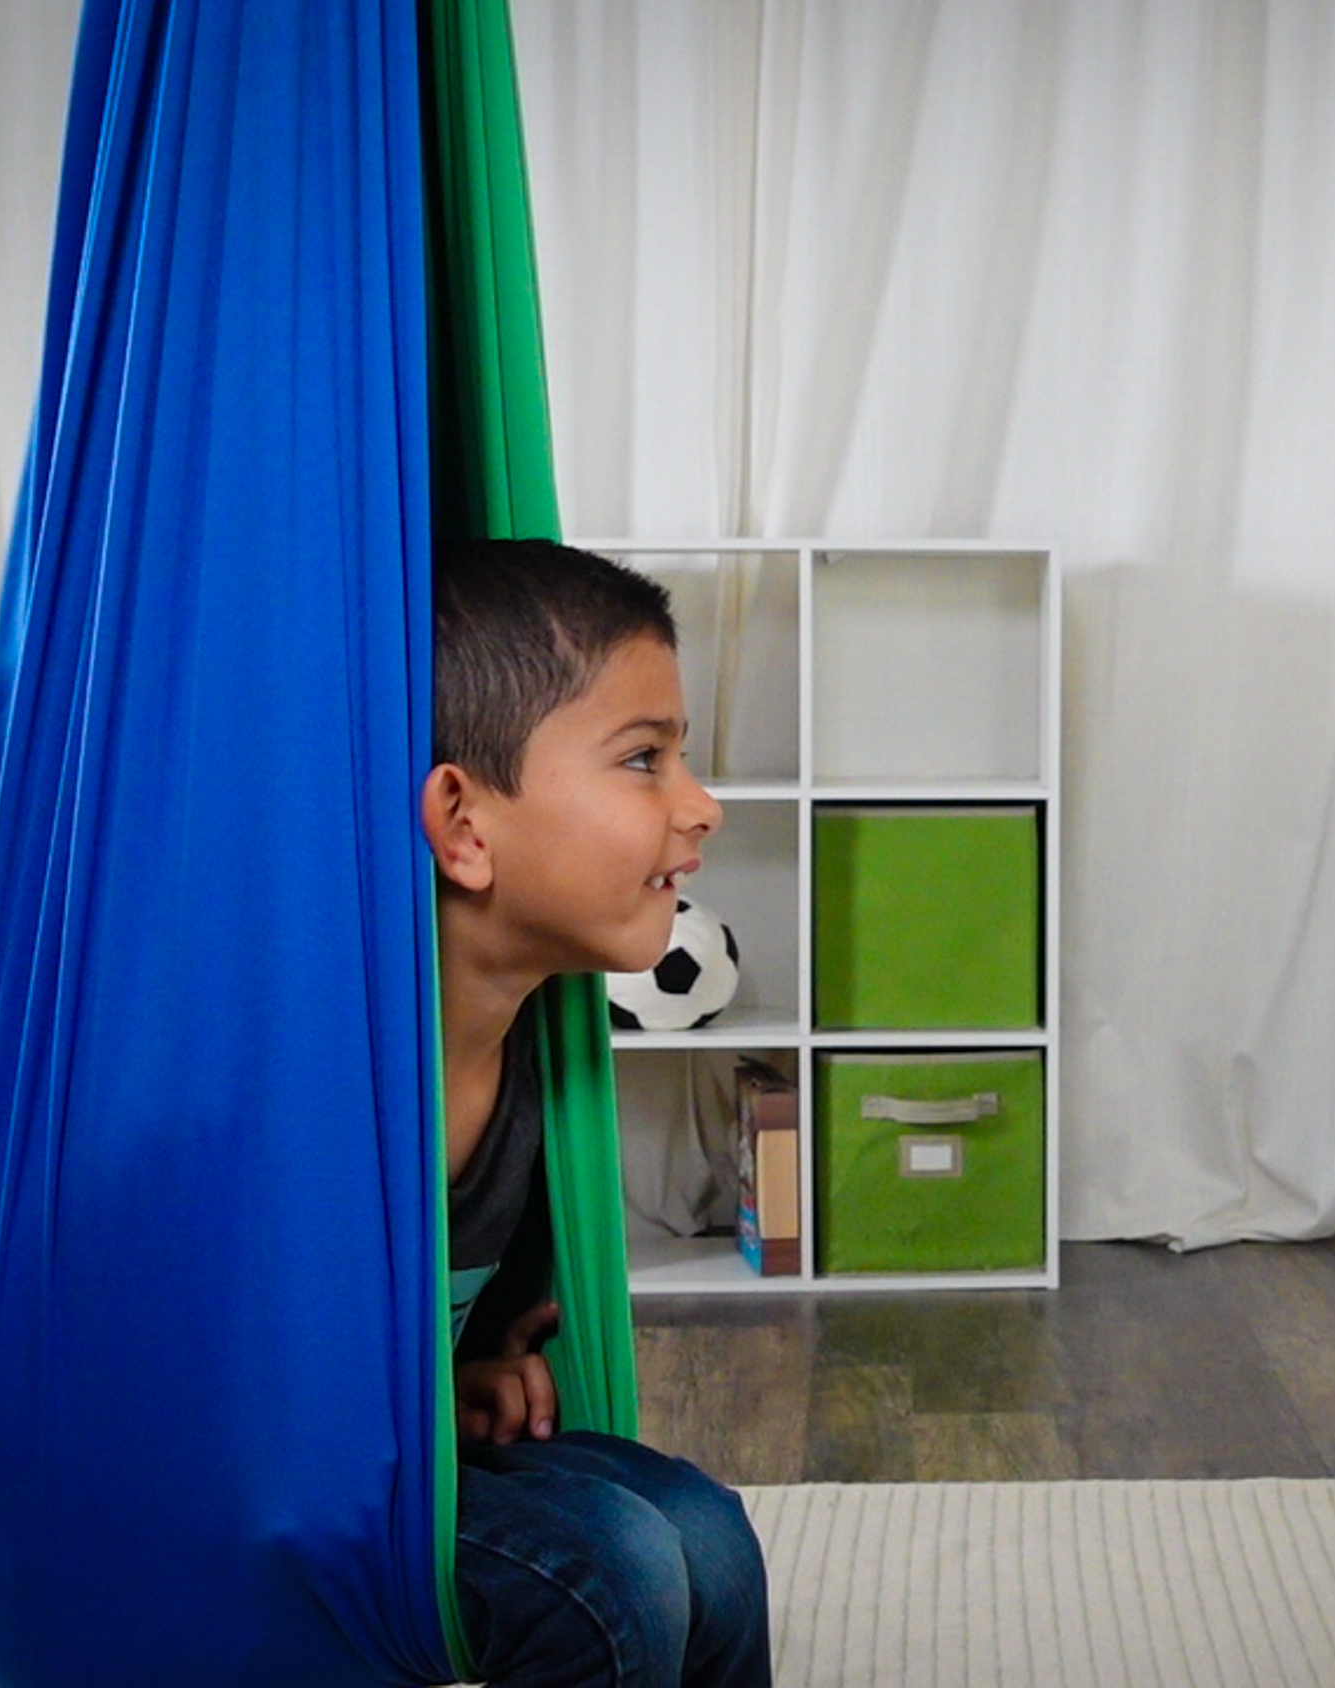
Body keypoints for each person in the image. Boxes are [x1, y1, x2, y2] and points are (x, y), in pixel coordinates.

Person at [421, 535, 771, 1688]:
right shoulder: (338, 1089)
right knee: (610, 1568)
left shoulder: (537, 1054)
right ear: (467, 826)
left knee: (707, 1534)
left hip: (404, 1447)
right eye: (644, 758)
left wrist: (456, 1373)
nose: (702, 804)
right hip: (264, 1493)